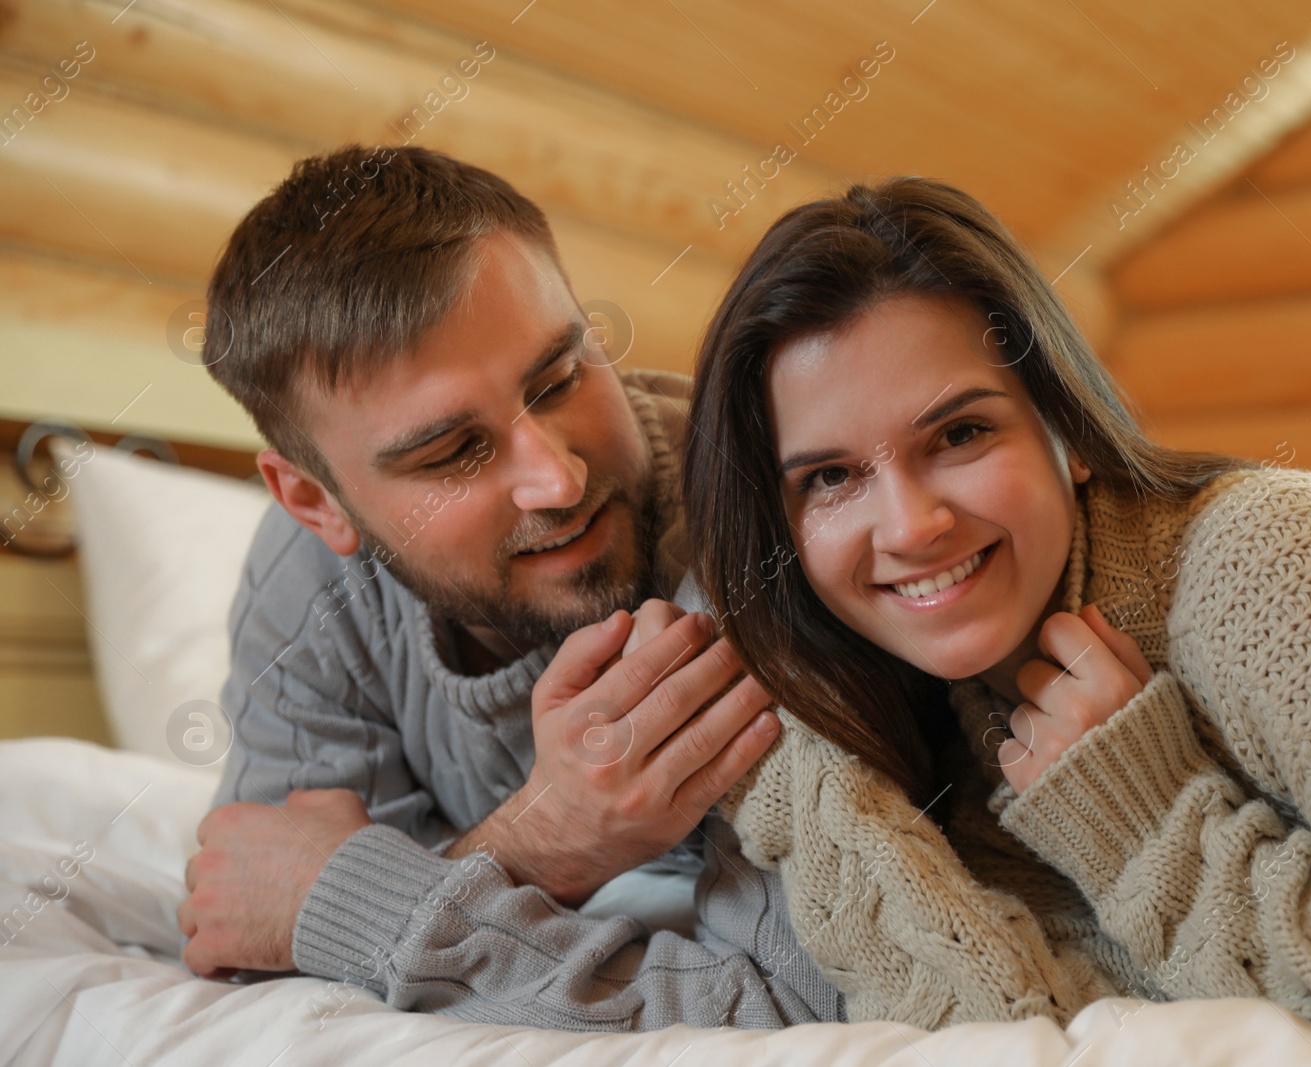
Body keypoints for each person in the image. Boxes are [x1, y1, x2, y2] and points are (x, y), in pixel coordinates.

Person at [679, 176, 1311, 1045]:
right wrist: (773, 701)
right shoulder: (926, 718)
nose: (913, 525)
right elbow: (992, 1030)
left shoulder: (1262, 563)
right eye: (831, 477)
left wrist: (1151, 826)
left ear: (1067, 432)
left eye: (960, 433)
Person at [175, 144, 848, 1029]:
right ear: (315, 498)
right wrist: (555, 836)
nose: (559, 478)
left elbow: (792, 1007)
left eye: (562, 377)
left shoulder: (762, 525)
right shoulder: (312, 584)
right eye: (453, 452)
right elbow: (254, 936)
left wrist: (362, 899)